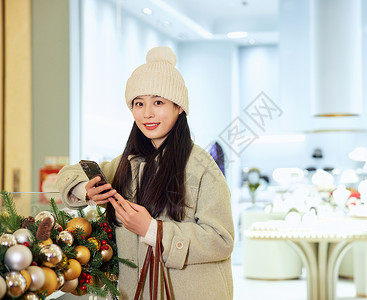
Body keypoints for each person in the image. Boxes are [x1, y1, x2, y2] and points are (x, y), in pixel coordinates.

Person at [56, 46, 234, 300]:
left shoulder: (202, 167)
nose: (147, 113)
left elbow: (221, 240)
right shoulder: (127, 164)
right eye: (139, 103)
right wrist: (85, 190)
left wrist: (152, 229)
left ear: (179, 107)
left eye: (158, 102)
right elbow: (69, 173)